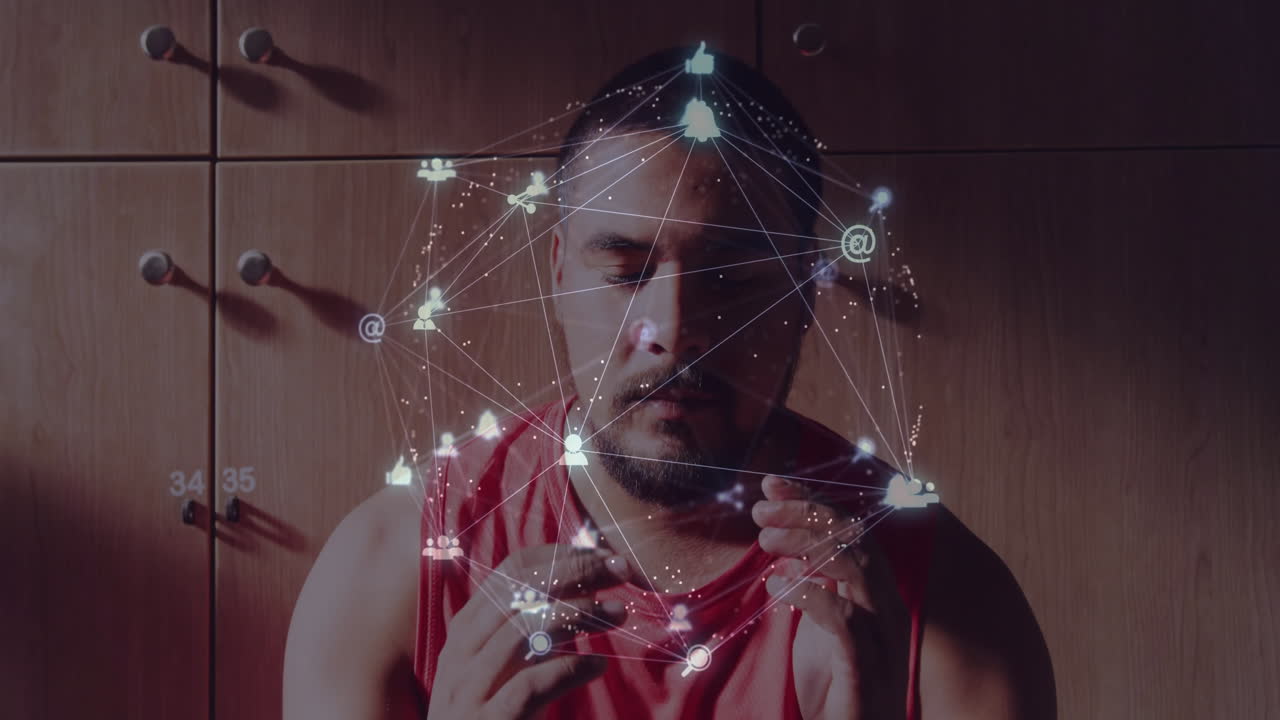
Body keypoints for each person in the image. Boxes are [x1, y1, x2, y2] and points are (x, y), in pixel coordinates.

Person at [283, 47, 1055, 719]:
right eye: (624, 270)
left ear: (801, 296)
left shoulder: (942, 598)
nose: (672, 328)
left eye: (732, 282)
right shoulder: (390, 569)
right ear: (557, 275)